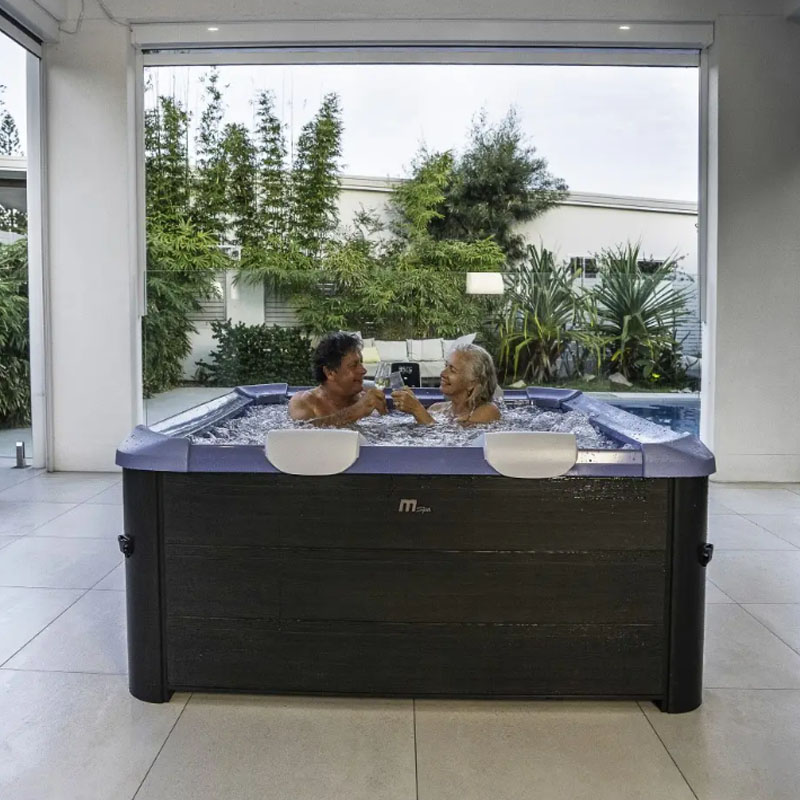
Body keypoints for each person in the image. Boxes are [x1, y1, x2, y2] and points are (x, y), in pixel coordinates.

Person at [288, 332, 388, 426]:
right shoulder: (305, 402)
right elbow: (301, 431)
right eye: (353, 365)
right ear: (330, 373)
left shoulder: (368, 399)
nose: (363, 370)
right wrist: (356, 411)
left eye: (361, 363)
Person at [392, 343, 501, 425]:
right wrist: (383, 411)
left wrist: (417, 409)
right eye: (446, 366)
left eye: (452, 370)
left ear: (472, 383)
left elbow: (453, 443)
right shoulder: (436, 409)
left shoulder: (488, 411)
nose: (442, 373)